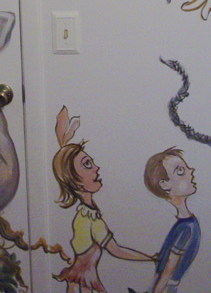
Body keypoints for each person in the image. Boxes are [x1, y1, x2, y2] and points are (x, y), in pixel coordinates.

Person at [53, 106, 153, 292]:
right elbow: (116, 250)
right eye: (87, 165)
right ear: (74, 181)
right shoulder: (90, 220)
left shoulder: (85, 215)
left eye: (91, 162)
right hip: (84, 282)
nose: (96, 168)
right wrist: (151, 259)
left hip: (81, 281)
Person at [143, 147, 200, 293]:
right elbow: (167, 271)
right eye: (180, 171)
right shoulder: (186, 227)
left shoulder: (184, 224)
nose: (191, 171)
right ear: (165, 184)